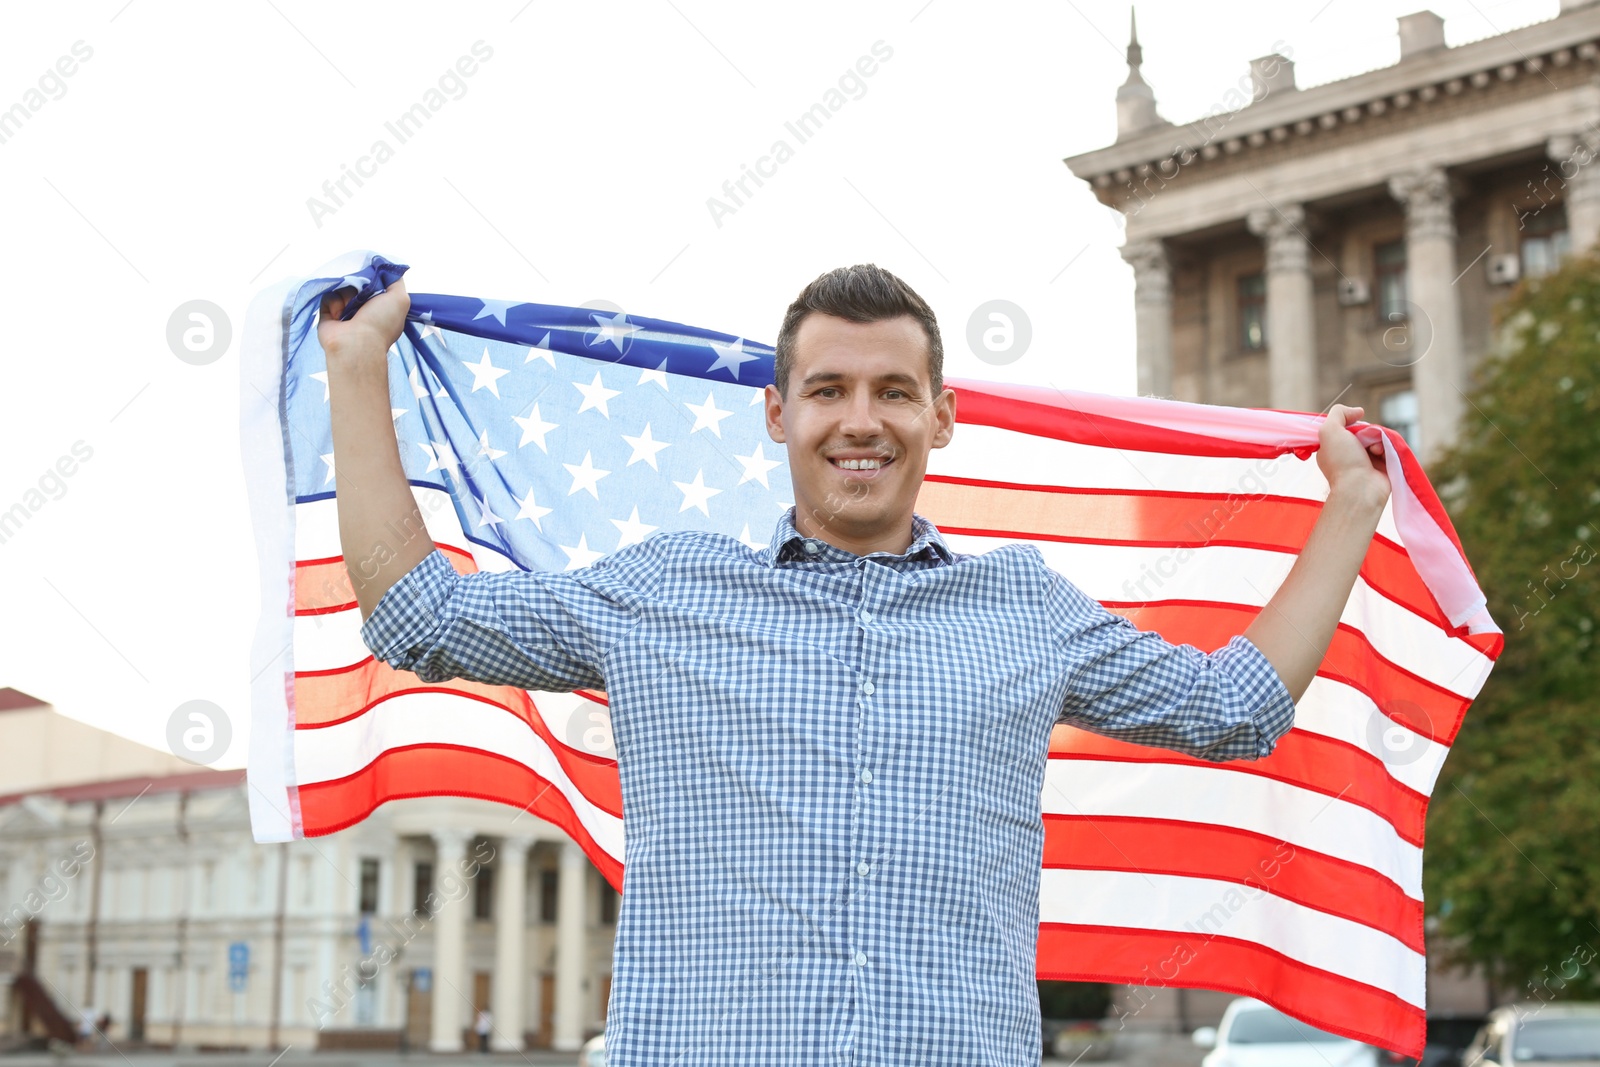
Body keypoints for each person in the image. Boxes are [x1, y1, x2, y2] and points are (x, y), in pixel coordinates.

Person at [319, 264, 1390, 1066]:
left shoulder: (1025, 608)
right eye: (828, 389)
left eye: (893, 390)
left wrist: (1349, 507)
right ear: (779, 413)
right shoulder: (665, 592)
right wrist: (357, 365)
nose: (861, 419)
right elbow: (419, 614)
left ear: (942, 416)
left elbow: (1234, 706)